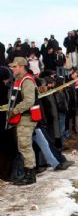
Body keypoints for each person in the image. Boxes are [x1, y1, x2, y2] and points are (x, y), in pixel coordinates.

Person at [8, 57, 41, 185]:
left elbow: (28, 101)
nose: (12, 69)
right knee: (23, 145)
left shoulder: (26, 81)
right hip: (23, 117)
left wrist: (14, 111)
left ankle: (30, 175)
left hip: (26, 117)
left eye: (14, 67)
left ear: (21, 66)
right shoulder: (19, 80)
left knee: (25, 145)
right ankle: (28, 172)